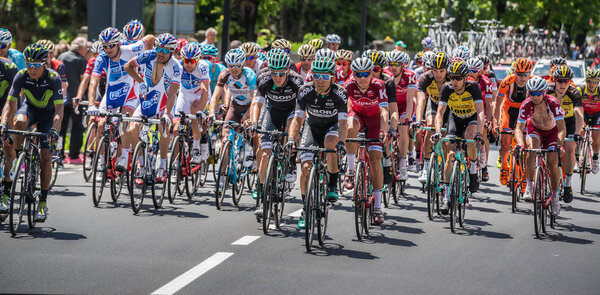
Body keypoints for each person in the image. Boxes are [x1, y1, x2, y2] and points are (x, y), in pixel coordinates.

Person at [0, 44, 64, 221]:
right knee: (18, 121)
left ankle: (42, 204)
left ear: (44, 64)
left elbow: (59, 111)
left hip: (48, 115)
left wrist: (54, 129)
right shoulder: (21, 76)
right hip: (30, 109)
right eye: (28, 64)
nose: (32, 69)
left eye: (36, 65)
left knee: (45, 158)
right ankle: (18, 157)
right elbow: (10, 103)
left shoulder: (54, 78)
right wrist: (3, 123)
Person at [288, 56, 347, 228]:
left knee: (331, 145)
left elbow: (343, 123)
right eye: (316, 76)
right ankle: (305, 209)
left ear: (333, 78)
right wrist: (291, 139)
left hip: (332, 126)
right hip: (312, 126)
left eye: (325, 77)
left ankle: (333, 186)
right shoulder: (305, 91)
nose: (320, 81)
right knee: (306, 167)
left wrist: (341, 143)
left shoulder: (340, 93)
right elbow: (297, 119)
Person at [88, 27, 155, 172]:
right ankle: (101, 164)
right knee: (100, 124)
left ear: (119, 43)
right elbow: (93, 82)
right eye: (105, 46)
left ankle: (124, 156)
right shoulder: (101, 58)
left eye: (112, 45)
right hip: (112, 91)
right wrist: (92, 104)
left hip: (131, 88)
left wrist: (155, 54)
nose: (109, 49)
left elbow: (149, 38)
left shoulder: (130, 49)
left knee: (124, 120)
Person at [249, 48, 303, 216]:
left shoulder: (297, 81)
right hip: (271, 112)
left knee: (289, 131)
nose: (277, 77)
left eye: (281, 73)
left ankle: (290, 162)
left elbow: (302, 109)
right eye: (274, 73)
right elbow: (256, 103)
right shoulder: (264, 78)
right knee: (264, 153)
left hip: (291, 112)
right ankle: (262, 192)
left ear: (288, 70)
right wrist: (253, 123)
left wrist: (297, 131)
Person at [124, 33, 182, 182]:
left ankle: (162, 165)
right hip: (147, 99)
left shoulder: (176, 66)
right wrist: (141, 82)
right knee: (132, 129)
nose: (161, 53)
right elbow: (128, 66)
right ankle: (141, 164)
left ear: (172, 51)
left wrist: (167, 115)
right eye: (159, 49)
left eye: (165, 50)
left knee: (163, 129)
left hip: (165, 102)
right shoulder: (148, 55)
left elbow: (173, 94)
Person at [434, 60, 485, 213]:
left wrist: (479, 134)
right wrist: (437, 131)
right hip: (454, 118)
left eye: (458, 78)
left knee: (470, 138)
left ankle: (474, 169)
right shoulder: (447, 88)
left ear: (465, 78)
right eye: (452, 78)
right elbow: (440, 113)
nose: (454, 81)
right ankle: (447, 196)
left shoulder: (473, 87)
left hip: (471, 118)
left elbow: (481, 111)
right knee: (449, 153)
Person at [344, 57, 389, 225]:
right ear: (353, 74)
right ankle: (350, 171)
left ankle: (377, 207)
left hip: (375, 120)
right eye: (358, 74)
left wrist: (383, 131)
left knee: (375, 159)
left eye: (366, 74)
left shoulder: (379, 85)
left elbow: (384, 110)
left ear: (372, 73)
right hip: (358, 116)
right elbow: (344, 109)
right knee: (349, 128)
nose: (362, 78)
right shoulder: (349, 84)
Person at [514, 76, 565, 216]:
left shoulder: (553, 103)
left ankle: (554, 197)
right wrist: (520, 143)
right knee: (531, 150)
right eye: (532, 93)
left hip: (552, 132)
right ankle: (529, 186)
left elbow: (561, 128)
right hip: (535, 130)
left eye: (538, 94)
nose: (535, 97)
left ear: (544, 93)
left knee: (552, 162)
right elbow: (519, 128)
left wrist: (558, 145)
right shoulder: (526, 104)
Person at [208, 49, 257, 188]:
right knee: (225, 139)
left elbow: (254, 100)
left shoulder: (249, 74)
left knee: (248, 124)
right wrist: (212, 113)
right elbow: (214, 97)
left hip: (250, 105)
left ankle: (248, 149)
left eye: (237, 65)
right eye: (230, 65)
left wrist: (249, 115)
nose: (233, 69)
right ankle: (222, 174)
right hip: (235, 106)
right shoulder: (224, 74)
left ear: (242, 64)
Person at [547, 65, 583, 202]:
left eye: (566, 81)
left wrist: (577, 133)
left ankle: (567, 183)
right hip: (551, 121)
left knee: (569, 148)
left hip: (568, 122)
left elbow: (579, 114)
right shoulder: (548, 90)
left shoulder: (574, 92)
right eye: (559, 81)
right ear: (554, 80)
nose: (562, 84)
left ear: (570, 82)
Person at [496, 58, 533, 186]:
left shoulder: (533, 82)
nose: (523, 78)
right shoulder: (507, 82)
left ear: (530, 73)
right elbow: (498, 104)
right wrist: (496, 122)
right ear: (514, 73)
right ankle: (504, 167)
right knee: (505, 143)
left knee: (526, 145)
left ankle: (524, 176)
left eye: (526, 74)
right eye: (519, 74)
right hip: (509, 110)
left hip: (525, 112)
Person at [415, 51, 450, 183]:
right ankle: (425, 167)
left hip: (450, 107)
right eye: (435, 70)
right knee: (430, 126)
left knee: (447, 136)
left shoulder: (452, 78)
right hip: (434, 104)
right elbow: (421, 100)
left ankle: (448, 169)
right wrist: (418, 120)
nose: (438, 74)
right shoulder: (426, 78)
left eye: (442, 71)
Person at [174, 42, 210, 164]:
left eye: (192, 61)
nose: (188, 64)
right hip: (185, 93)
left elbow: (205, 89)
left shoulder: (203, 66)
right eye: (186, 60)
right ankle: (176, 164)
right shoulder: (177, 65)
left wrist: (200, 109)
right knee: (175, 127)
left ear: (198, 60)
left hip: (200, 93)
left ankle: (195, 147)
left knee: (195, 111)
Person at [58, 37, 88, 164]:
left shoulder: (61, 56)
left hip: (61, 98)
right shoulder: (81, 60)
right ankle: (74, 156)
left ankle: (59, 155)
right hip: (77, 100)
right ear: (81, 48)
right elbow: (83, 79)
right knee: (77, 128)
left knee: (61, 127)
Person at [387, 51, 416, 181]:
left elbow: (410, 99)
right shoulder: (385, 75)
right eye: (391, 64)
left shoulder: (410, 75)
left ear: (402, 65)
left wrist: (407, 118)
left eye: (396, 64)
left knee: (403, 128)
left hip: (405, 106)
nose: (393, 67)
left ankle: (403, 163)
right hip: (390, 106)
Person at [466, 58, 493, 181]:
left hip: (481, 109)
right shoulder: (465, 80)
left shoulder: (486, 82)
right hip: (468, 110)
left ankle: (484, 166)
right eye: (470, 70)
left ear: (480, 71)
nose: (471, 73)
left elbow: (489, 103)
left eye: (474, 71)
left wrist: (489, 120)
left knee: (483, 135)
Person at [581, 68, 600, 174]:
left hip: (597, 115)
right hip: (584, 114)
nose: (591, 84)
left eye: (595, 82)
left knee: (596, 134)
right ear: (585, 80)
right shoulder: (581, 90)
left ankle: (595, 158)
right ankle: (579, 157)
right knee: (580, 132)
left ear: (598, 82)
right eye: (589, 81)